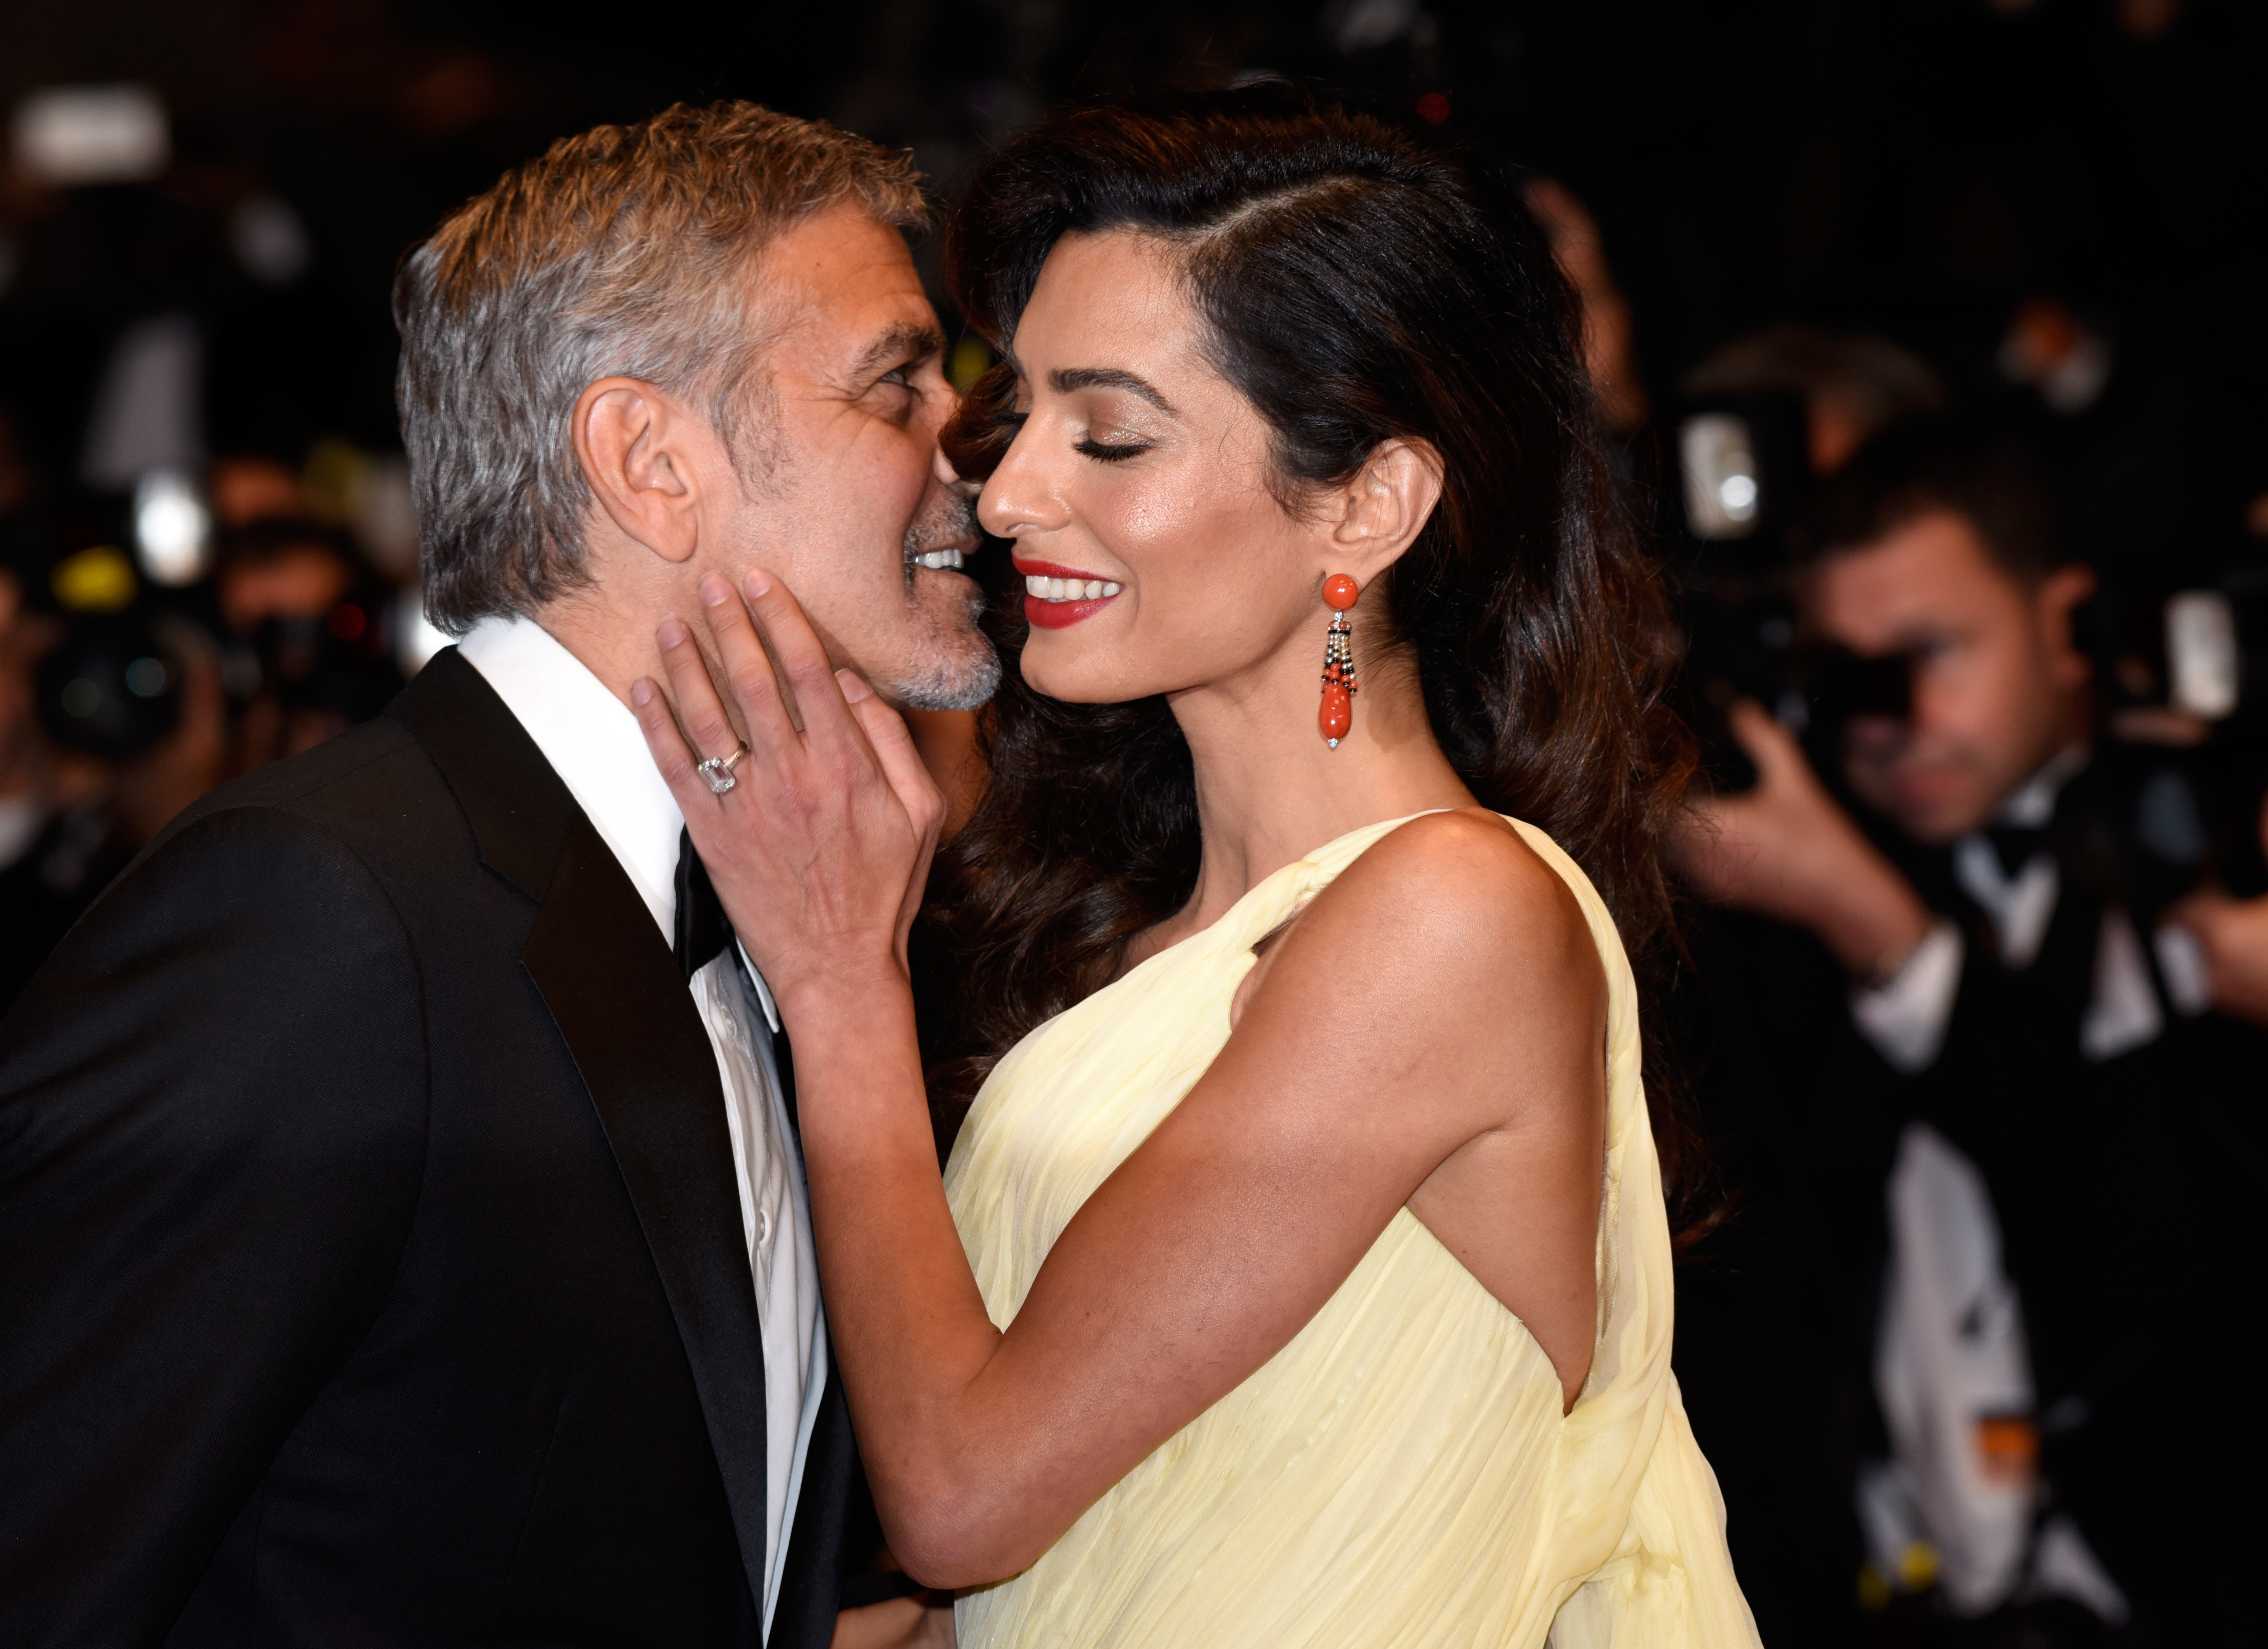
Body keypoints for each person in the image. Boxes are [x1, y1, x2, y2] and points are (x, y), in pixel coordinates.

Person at [0, 104, 987, 1648]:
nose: (976, 451)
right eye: (897, 383)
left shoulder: (795, 905)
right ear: (650, 462)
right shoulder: (314, 925)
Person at [628, 89, 1758, 1649]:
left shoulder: (1450, 915)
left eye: (1110, 434)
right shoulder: (1144, 942)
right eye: (1013, 416)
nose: (1007, 491)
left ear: (1365, 500)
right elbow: (1081, 1570)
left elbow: (958, 1496)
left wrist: (836, 981)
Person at [1670, 423, 2258, 1642]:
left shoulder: (2206, 858)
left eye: (1931, 653)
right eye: (1851, 676)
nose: (1895, 718)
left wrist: (1883, 937)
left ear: (2061, 621)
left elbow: (2162, 1244)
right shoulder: (1784, 897)